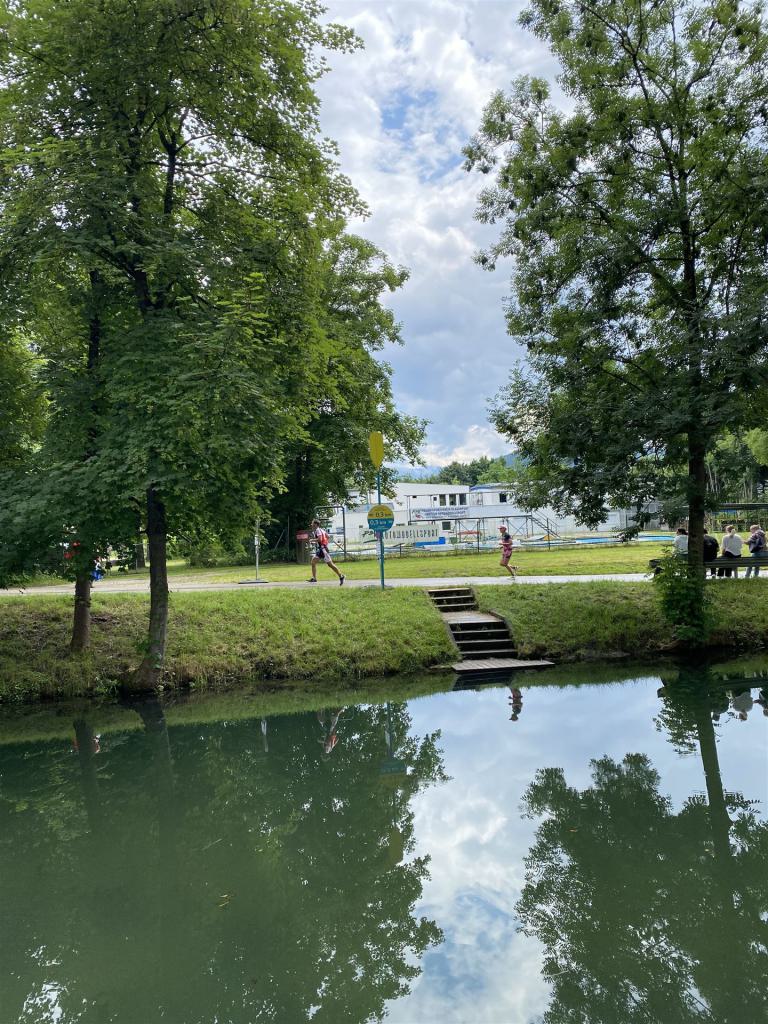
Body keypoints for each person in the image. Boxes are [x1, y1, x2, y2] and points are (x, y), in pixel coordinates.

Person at [307, 519, 346, 585]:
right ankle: (314, 578)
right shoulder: (321, 530)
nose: (311, 525)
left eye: (312, 523)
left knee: (330, 564)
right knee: (313, 562)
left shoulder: (318, 530)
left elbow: (320, 539)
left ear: (316, 524)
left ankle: (341, 576)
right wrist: (324, 543)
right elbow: (327, 536)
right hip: (321, 549)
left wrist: (312, 540)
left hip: (323, 550)